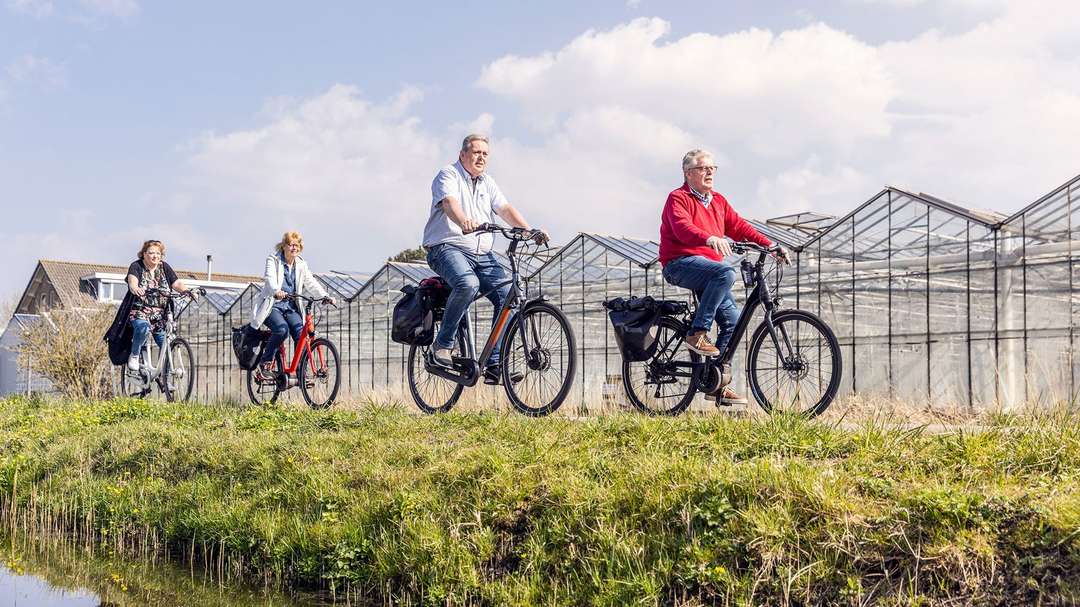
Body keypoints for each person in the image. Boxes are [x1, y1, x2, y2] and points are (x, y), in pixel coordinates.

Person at [659, 149, 787, 405]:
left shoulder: (717, 200)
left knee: (733, 322)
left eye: (712, 168)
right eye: (703, 168)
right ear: (688, 173)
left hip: (708, 270)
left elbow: (739, 227)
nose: (709, 172)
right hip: (679, 264)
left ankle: (715, 382)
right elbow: (683, 228)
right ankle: (697, 332)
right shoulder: (678, 198)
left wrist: (770, 245)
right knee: (726, 272)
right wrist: (708, 237)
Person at [422, 134, 548, 385]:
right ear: (462, 154)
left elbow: (505, 209)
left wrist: (528, 230)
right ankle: (442, 346)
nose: (481, 157)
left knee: (509, 295)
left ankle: (494, 364)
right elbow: (449, 203)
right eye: (476, 152)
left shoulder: (487, 182)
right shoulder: (448, 174)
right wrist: (463, 222)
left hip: (482, 254)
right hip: (447, 247)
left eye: (485, 154)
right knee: (468, 284)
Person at [249, 231, 335, 377]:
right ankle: (265, 362)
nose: (294, 248)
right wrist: (276, 290)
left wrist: (324, 296)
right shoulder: (273, 260)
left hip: (290, 307)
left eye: (297, 245)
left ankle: (301, 371)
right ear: (284, 246)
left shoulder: (301, 264)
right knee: (282, 330)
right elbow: (269, 278)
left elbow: (311, 282)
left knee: (301, 333)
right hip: (273, 305)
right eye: (290, 244)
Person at [124, 240, 196, 370]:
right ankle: (134, 355)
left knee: (167, 345)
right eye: (151, 253)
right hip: (141, 311)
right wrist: (134, 287)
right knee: (143, 328)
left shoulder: (164, 267)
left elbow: (176, 283)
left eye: (158, 253)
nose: (155, 256)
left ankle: (166, 379)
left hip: (160, 315)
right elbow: (132, 280)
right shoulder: (137, 266)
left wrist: (187, 291)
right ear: (144, 254)